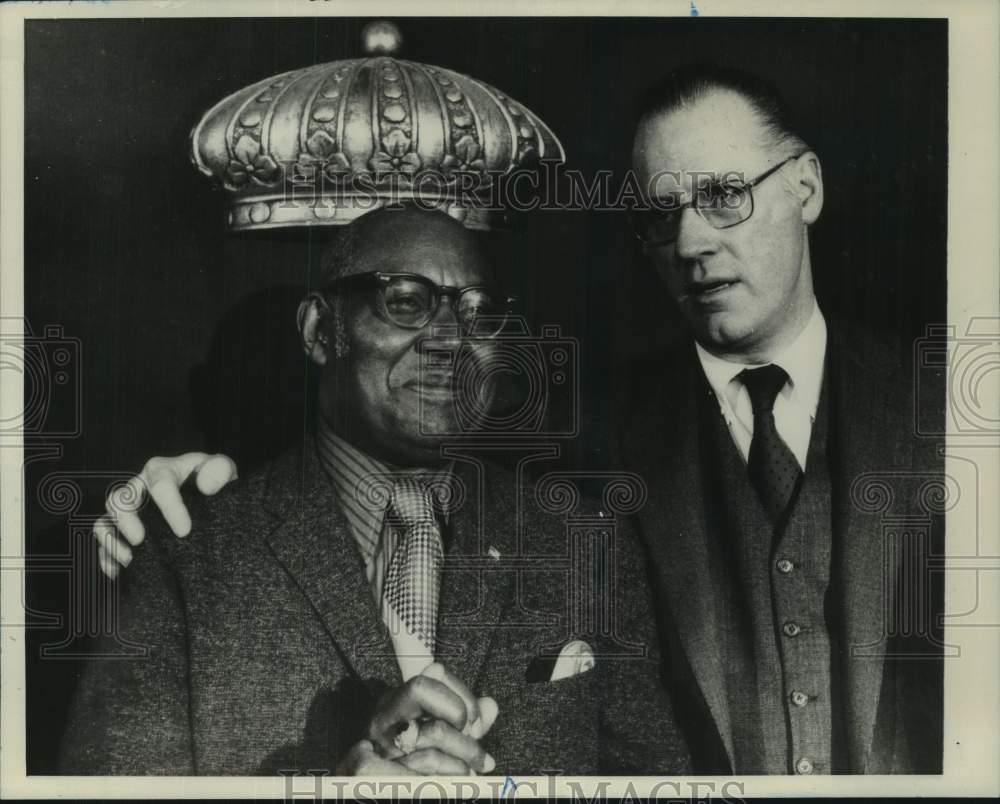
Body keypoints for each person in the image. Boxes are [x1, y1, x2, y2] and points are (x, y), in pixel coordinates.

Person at [62, 205, 688, 776]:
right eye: (406, 301)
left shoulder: (584, 544)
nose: (450, 340)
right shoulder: (182, 552)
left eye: (477, 313)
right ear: (320, 330)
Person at [623, 64, 944, 774]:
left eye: (724, 196)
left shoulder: (948, 408)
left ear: (806, 187)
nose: (688, 245)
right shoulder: (599, 449)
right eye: (661, 213)